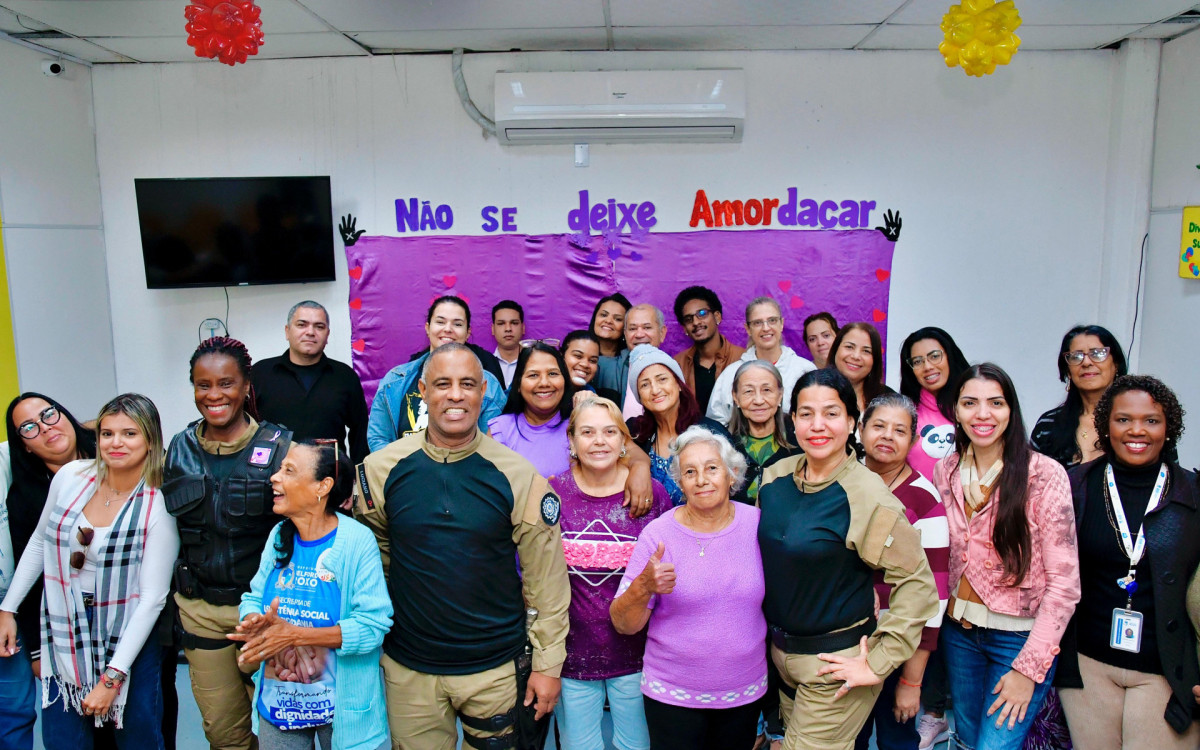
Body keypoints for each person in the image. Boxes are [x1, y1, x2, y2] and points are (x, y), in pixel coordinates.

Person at [354, 343, 571, 750]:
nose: (455, 395)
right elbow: (377, 560)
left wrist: (547, 665)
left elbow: (547, 583)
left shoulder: (518, 476)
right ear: (422, 390)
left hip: (495, 671)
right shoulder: (379, 471)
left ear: (484, 392)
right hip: (410, 671)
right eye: (442, 384)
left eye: (467, 384)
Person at [758, 369, 938, 750]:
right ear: (792, 420)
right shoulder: (775, 478)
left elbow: (918, 586)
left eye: (831, 413)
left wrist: (879, 661)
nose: (817, 425)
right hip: (781, 659)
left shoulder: (868, 496)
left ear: (852, 422)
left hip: (835, 666)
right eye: (806, 414)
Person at [0, 394, 179, 749]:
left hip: (128, 637)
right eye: (107, 433)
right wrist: (8, 609)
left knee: (137, 739)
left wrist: (111, 679)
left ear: (150, 439)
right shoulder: (71, 476)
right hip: (65, 633)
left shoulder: (159, 502)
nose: (116, 443)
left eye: (129, 434)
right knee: (63, 740)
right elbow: (39, 542)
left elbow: (151, 601)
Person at [933, 363, 1080, 750]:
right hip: (959, 631)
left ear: (1011, 410)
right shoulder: (945, 470)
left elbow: (1065, 585)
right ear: (956, 411)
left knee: (995, 746)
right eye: (970, 403)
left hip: (1017, 637)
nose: (983, 414)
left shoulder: (1042, 474)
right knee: (964, 738)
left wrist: (1029, 669)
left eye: (995, 403)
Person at [1056, 375, 1200, 749]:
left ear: (1169, 429)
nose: (1137, 430)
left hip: (1166, 671)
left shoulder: (1193, 494)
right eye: (1123, 419)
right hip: (1088, 665)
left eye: (1151, 420)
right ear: (1106, 426)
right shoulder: (1074, 486)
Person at [164, 336, 293, 750]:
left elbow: (307, 533)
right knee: (224, 735)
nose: (214, 395)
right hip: (200, 610)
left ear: (245, 385)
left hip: (266, 614)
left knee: (283, 731)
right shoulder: (178, 449)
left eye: (226, 384)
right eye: (204, 385)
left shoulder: (280, 449)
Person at [611, 427, 767, 750]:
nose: (701, 479)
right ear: (680, 483)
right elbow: (623, 623)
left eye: (712, 468)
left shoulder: (758, 525)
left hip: (743, 694)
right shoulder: (658, 534)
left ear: (731, 474)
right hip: (672, 697)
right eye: (690, 472)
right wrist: (644, 586)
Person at [230, 440, 392, 750]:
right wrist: (254, 622)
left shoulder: (357, 541)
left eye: (288, 470)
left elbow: (373, 627)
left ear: (323, 486)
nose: (274, 478)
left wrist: (295, 636)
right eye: (279, 469)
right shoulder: (279, 535)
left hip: (342, 711)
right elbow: (253, 598)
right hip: (280, 701)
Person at [550, 397, 672, 750]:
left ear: (624, 442)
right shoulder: (552, 493)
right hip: (572, 656)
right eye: (587, 432)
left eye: (609, 432)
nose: (599, 441)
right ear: (571, 441)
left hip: (640, 657)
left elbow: (669, 573)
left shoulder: (651, 495)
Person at [852, 393, 950, 750]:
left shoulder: (924, 499)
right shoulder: (841, 483)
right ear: (860, 429)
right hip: (847, 642)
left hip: (897, 646)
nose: (887, 436)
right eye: (878, 426)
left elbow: (935, 597)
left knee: (896, 740)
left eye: (900, 430)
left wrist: (912, 681)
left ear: (912, 440)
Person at [1, 393, 98, 750]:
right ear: (23, 446)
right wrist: (37, 653)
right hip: (62, 628)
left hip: (126, 615)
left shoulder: (114, 455)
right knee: (68, 731)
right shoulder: (26, 497)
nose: (46, 427)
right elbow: (32, 569)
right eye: (30, 427)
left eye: (48, 414)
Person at [367, 296, 506, 451]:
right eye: (440, 322)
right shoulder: (395, 380)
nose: (447, 329)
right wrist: (403, 471)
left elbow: (492, 446)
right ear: (428, 328)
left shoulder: (489, 385)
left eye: (457, 324)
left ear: (468, 333)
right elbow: (378, 438)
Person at [251, 301, 369, 463]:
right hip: (270, 477)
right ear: (287, 331)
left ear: (327, 335)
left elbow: (360, 432)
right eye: (302, 325)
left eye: (319, 327)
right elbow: (243, 427)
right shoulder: (260, 373)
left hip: (329, 477)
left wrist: (358, 476)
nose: (310, 332)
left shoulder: (345, 376)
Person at [626, 345, 736, 506]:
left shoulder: (711, 432)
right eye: (645, 385)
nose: (655, 390)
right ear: (639, 397)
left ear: (678, 384)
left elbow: (734, 486)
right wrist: (639, 464)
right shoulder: (636, 432)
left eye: (662, 379)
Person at [707, 297, 816, 427]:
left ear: (781, 324)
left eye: (772, 320)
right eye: (758, 323)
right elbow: (716, 424)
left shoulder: (804, 370)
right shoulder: (732, 374)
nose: (766, 328)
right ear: (748, 329)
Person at [1032, 325, 1129, 468]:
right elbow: (1030, 483)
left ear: (1116, 364)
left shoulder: (1141, 423)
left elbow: (1169, 482)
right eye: (1076, 356)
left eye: (1098, 353)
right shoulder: (1048, 424)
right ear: (1068, 371)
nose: (1087, 362)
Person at [489, 342, 576, 478]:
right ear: (518, 384)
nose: (544, 383)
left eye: (553, 374)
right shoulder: (501, 430)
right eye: (533, 375)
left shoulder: (579, 427)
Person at [897, 327, 970, 483]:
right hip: (919, 505)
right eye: (917, 361)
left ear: (950, 356)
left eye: (935, 356)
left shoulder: (975, 407)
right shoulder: (905, 414)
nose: (928, 366)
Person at [725, 360, 797, 502]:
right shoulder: (725, 443)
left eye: (766, 390)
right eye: (748, 391)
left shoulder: (799, 435)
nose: (758, 400)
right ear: (735, 397)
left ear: (780, 394)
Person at [672, 286, 746, 414]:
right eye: (689, 319)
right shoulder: (678, 364)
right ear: (684, 328)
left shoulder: (742, 358)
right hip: (691, 432)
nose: (695, 322)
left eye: (702, 314)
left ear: (717, 317)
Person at [596, 304, 669, 418]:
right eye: (632, 329)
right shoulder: (602, 368)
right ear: (625, 334)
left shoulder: (674, 371)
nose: (639, 334)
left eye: (647, 327)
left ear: (662, 333)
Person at [828, 323, 889, 413]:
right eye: (849, 347)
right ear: (835, 349)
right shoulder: (813, 390)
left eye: (866, 351)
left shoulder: (889, 400)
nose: (856, 356)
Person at [560, 331, 621, 407]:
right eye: (578, 356)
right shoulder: (545, 390)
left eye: (593, 361)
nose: (585, 364)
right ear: (561, 356)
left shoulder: (599, 403)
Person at [492, 300, 526, 389]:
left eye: (514, 323)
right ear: (493, 329)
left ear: (523, 328)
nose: (508, 329)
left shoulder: (533, 363)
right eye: (501, 323)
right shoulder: (484, 365)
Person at [589, 293, 631, 359]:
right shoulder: (579, 351)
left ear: (626, 327)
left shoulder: (632, 359)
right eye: (603, 315)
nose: (608, 321)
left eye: (617, 319)